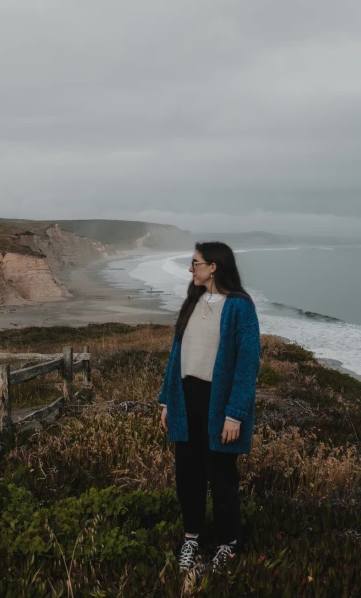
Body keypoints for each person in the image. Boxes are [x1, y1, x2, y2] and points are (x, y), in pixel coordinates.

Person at [157, 241, 261, 573]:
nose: (191, 268)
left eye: (196, 263)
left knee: (221, 476)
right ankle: (192, 538)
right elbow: (176, 355)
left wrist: (236, 413)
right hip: (186, 398)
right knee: (187, 473)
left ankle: (228, 544)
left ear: (213, 266)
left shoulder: (240, 307)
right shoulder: (193, 301)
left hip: (219, 402)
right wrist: (166, 401)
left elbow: (247, 365)